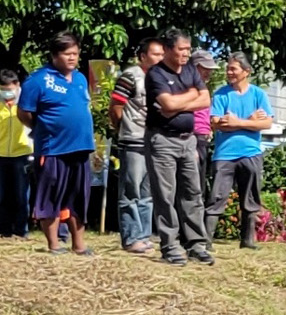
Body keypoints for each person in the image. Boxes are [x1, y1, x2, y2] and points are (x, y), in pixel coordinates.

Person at [15, 33, 97, 255]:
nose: (72, 58)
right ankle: (54, 244)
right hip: (53, 148)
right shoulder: (38, 80)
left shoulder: (80, 78)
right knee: (51, 196)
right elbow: (24, 112)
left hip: (81, 147)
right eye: (67, 53)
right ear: (54, 55)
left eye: (75, 53)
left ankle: (79, 245)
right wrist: (42, 129)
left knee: (78, 197)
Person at [147, 29, 213, 265]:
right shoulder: (156, 74)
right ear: (167, 50)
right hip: (163, 140)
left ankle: (197, 245)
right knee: (165, 195)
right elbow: (166, 103)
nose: (186, 54)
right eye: (181, 49)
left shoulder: (190, 71)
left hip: (189, 140)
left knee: (192, 193)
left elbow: (205, 99)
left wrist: (178, 104)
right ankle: (170, 246)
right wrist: (190, 97)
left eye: (188, 49)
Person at [205, 53, 274, 248]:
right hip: (224, 154)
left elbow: (267, 122)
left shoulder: (258, 94)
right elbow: (216, 123)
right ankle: (206, 240)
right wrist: (251, 122)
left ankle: (248, 240)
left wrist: (237, 122)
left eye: (233, 69)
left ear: (246, 71)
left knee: (251, 197)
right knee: (217, 196)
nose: (229, 72)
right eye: (228, 68)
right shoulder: (221, 94)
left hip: (251, 153)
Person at [110, 37, 165, 254]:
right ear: (143, 56)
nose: (160, 58)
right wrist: (122, 128)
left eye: (162, 54)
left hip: (154, 140)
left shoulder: (161, 78)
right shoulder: (131, 76)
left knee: (147, 192)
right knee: (131, 189)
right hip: (133, 139)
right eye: (156, 54)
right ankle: (131, 237)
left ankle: (144, 236)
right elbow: (115, 106)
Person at [0, 70, 31, 238]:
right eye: (3, 89)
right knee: (2, 196)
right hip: (1, 155)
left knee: (21, 196)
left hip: (22, 154)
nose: (7, 93)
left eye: (10, 88)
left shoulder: (26, 103)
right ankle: (4, 230)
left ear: (18, 86)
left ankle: (21, 230)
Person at [190, 48, 219, 186]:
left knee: (199, 182)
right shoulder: (188, 86)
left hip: (202, 138)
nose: (209, 72)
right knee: (191, 183)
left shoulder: (203, 87)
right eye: (205, 68)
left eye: (210, 69)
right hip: (192, 137)